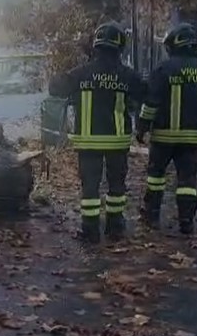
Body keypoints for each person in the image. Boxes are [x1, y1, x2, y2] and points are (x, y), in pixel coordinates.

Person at [49, 22, 145, 243]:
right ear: (120, 46)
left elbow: (55, 88)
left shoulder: (81, 73)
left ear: (96, 45)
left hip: (88, 141)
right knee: (116, 186)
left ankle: (90, 231)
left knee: (90, 188)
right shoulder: (127, 75)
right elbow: (145, 95)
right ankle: (115, 227)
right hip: (117, 142)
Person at [136, 22, 197, 235]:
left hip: (164, 136)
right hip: (193, 138)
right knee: (187, 180)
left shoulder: (163, 69)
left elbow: (151, 103)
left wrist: (142, 127)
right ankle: (186, 221)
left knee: (156, 176)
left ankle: (152, 215)